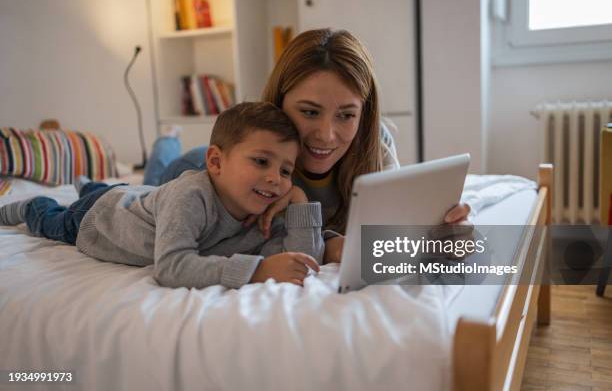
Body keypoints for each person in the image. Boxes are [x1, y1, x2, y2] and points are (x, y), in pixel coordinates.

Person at [143, 28, 471, 263]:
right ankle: (166, 143)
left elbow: (393, 225)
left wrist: (440, 231)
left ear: (364, 115)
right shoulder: (248, 173)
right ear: (280, 102)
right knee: (155, 178)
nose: (326, 135)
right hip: (195, 164)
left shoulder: (374, 143)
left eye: (346, 115)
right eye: (310, 112)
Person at [0, 102, 324, 289]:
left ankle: (88, 183)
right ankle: (34, 202)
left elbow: (305, 262)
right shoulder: (192, 195)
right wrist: (258, 271)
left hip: (138, 198)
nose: (275, 179)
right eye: (261, 161)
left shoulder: (264, 208)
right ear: (215, 161)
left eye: (285, 171)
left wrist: (298, 198)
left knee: (109, 189)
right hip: (100, 218)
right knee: (52, 219)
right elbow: (172, 267)